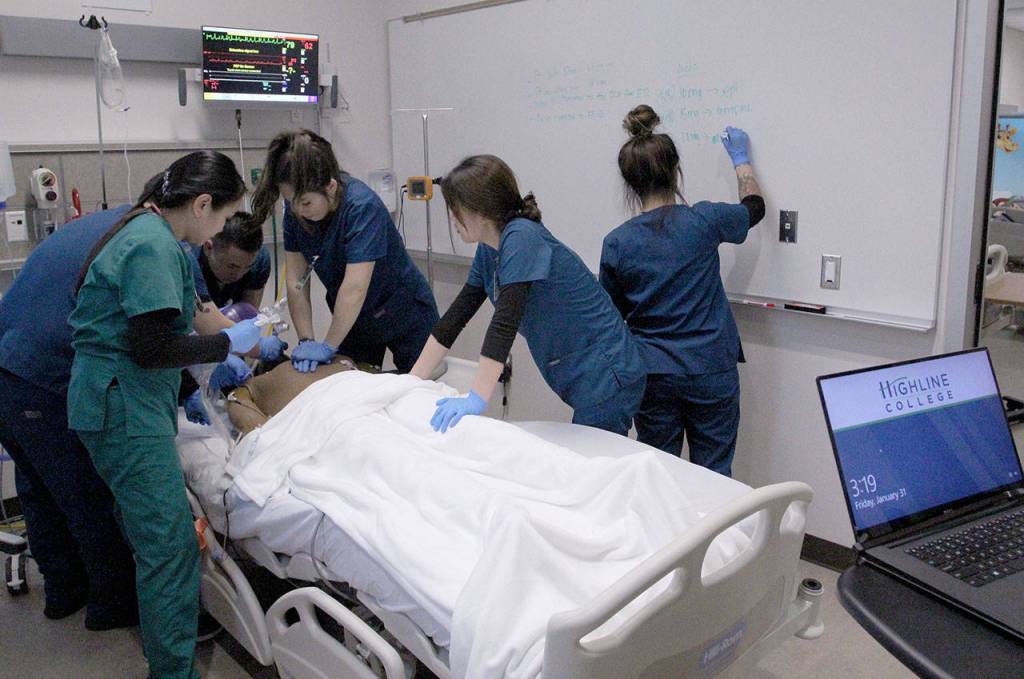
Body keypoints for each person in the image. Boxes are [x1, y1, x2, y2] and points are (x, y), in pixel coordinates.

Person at [68, 150, 258, 679]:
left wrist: (215, 361)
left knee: (154, 537)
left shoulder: (152, 234)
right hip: (123, 408)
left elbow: (166, 323)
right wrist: (228, 344)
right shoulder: (151, 244)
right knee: (170, 548)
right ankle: (172, 673)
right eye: (222, 218)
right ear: (201, 204)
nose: (217, 233)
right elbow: (152, 347)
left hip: (120, 401)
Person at [410, 154, 646, 435]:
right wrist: (413, 380)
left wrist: (477, 398)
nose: (452, 218)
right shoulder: (489, 248)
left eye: (455, 209)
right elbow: (456, 316)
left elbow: (504, 323)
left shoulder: (522, 237)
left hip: (607, 371)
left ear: (480, 211)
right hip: (584, 372)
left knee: (597, 457)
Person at [599, 105, 765, 477]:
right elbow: (754, 208)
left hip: (653, 375)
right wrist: (741, 162)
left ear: (629, 183)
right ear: (675, 171)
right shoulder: (705, 220)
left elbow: (610, 317)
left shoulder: (618, 243)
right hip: (711, 368)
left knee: (661, 474)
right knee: (715, 477)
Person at [0, 205, 139, 629]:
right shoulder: (150, 244)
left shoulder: (102, 226)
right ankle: (110, 606)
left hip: (8, 365)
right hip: (36, 377)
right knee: (84, 492)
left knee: (38, 487)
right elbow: (155, 334)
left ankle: (62, 593)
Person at [249, 129, 438, 374]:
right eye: (290, 201)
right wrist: (306, 340)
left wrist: (327, 346)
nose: (298, 211)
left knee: (418, 386)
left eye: (305, 202)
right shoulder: (296, 211)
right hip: (354, 319)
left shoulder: (362, 207)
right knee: (350, 382)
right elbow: (296, 281)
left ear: (331, 186)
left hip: (404, 313)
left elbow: (354, 288)